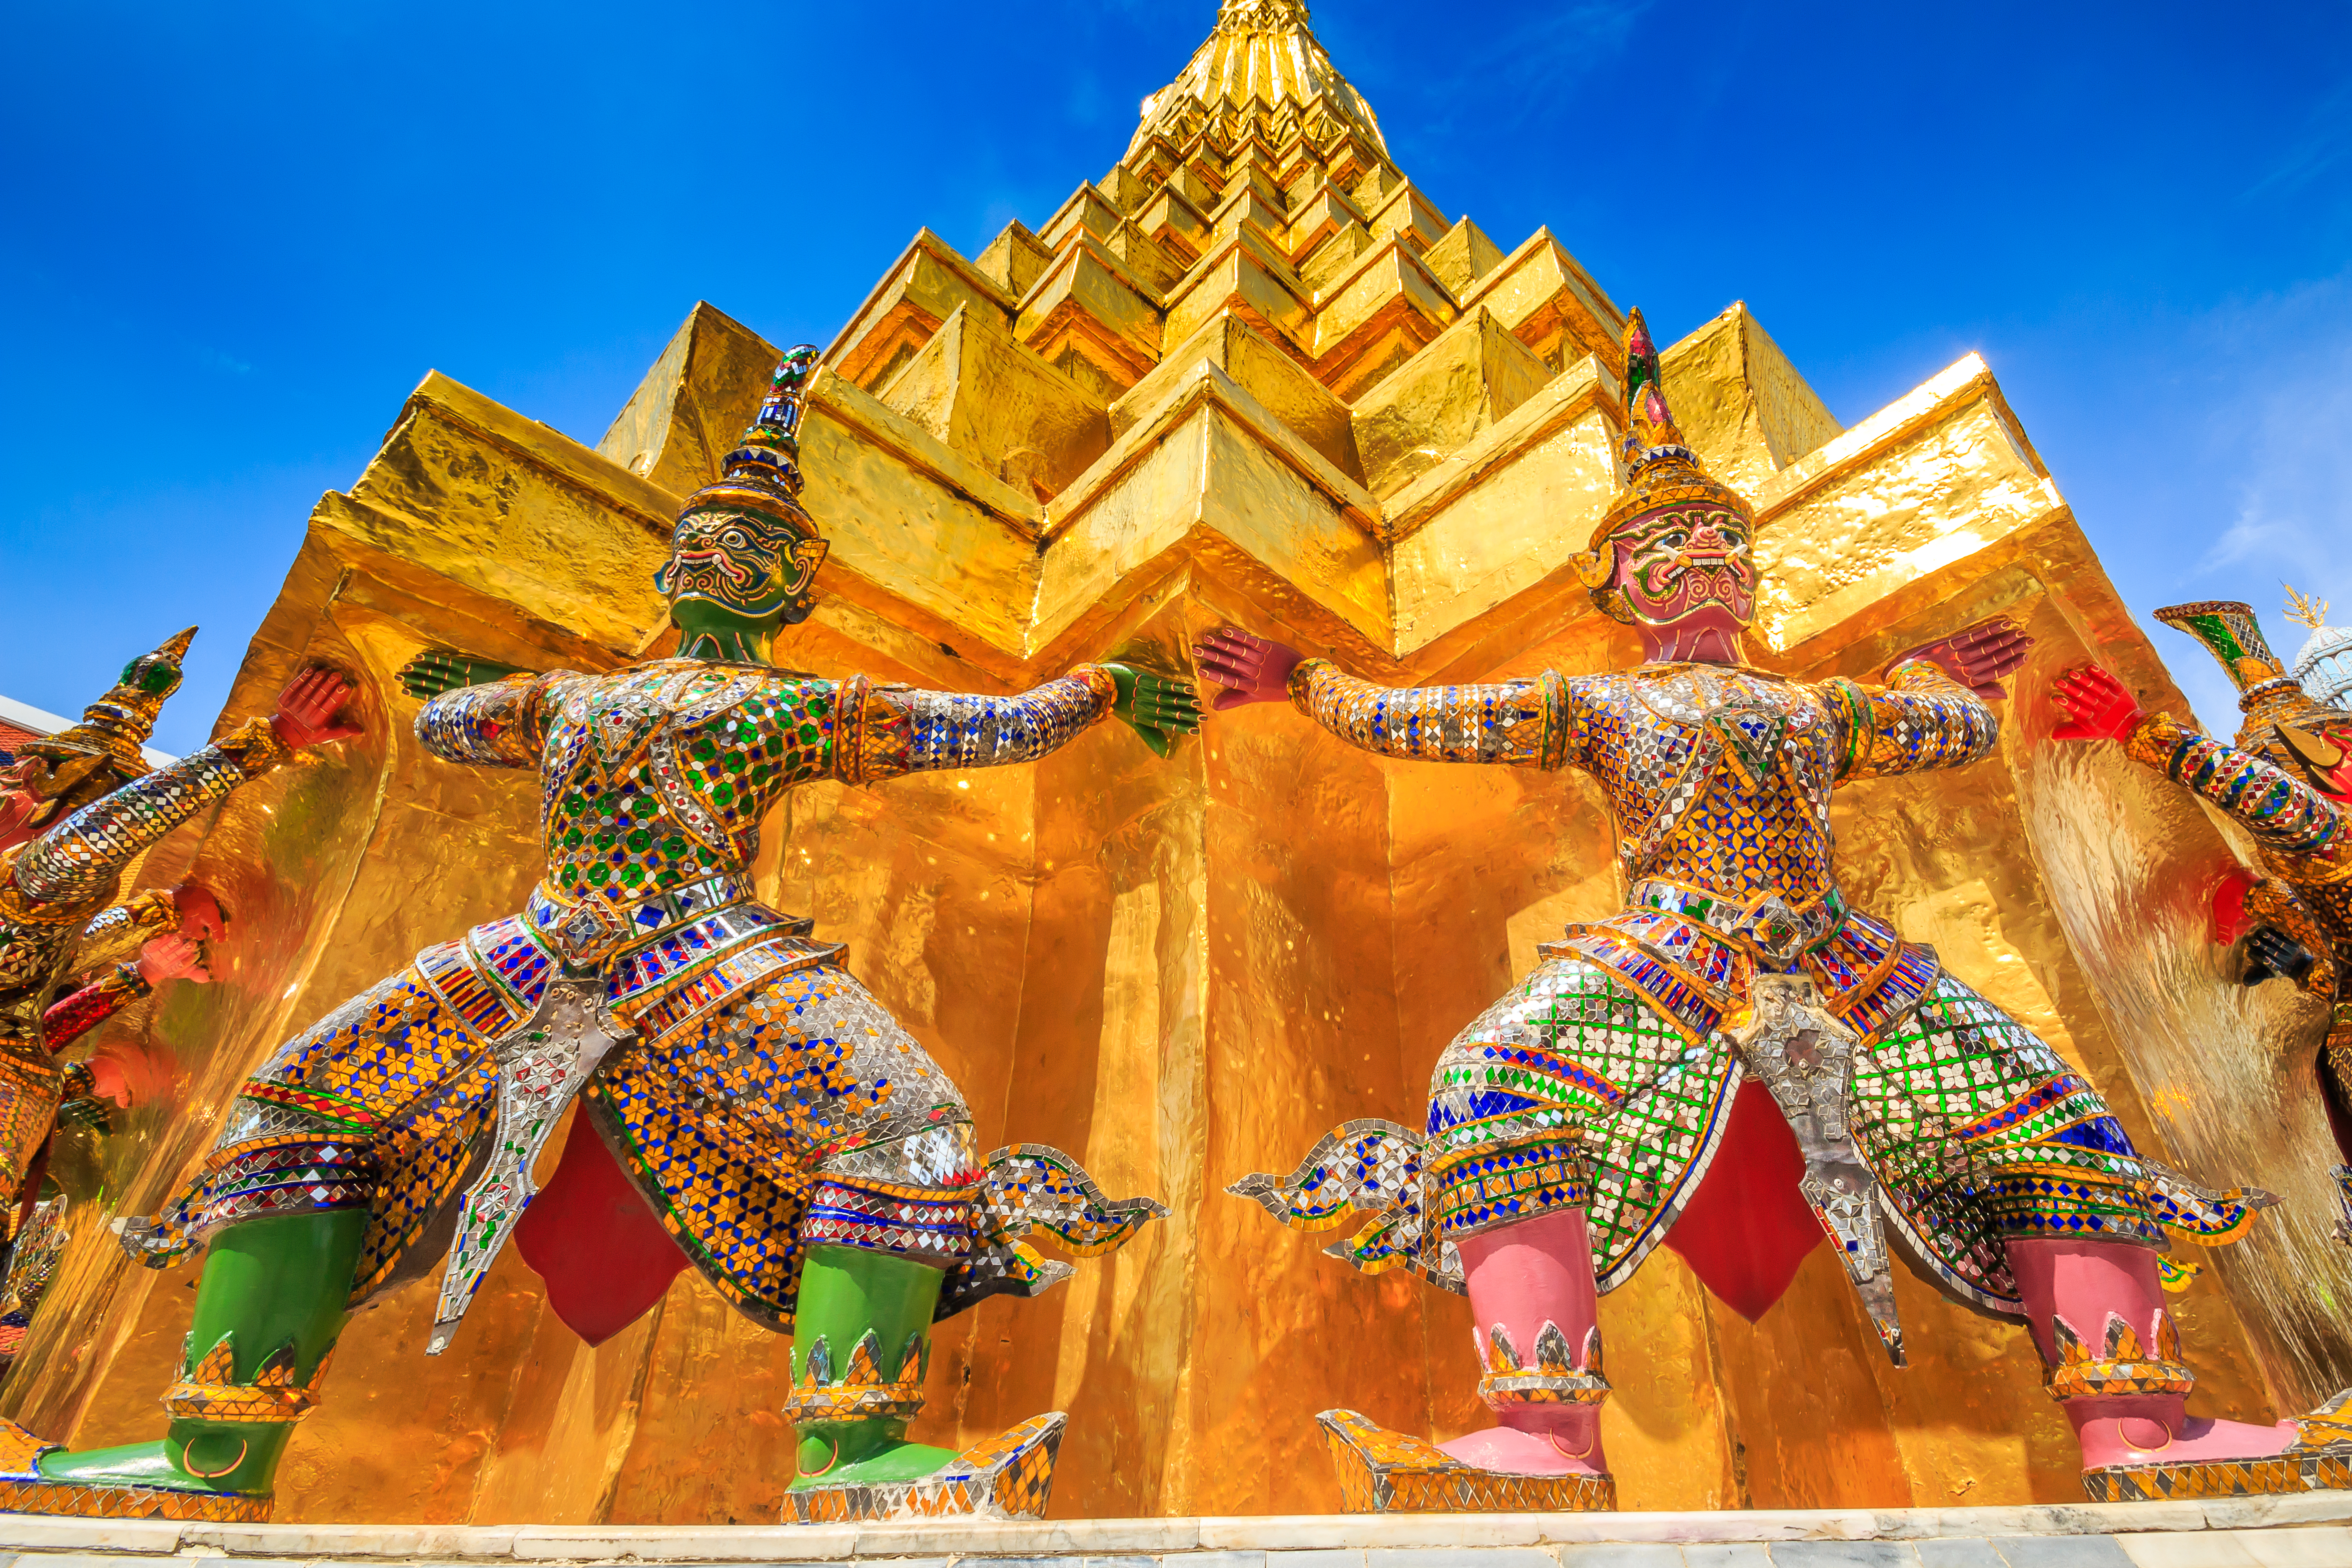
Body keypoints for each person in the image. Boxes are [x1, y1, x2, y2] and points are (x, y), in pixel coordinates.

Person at [0, 348, 1201, 1524]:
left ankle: (217, 1445)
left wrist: (518, 682)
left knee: (301, 1106)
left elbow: (458, 723)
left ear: (679, 577)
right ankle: (851, 1452)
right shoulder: (773, 701)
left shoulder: (577, 698)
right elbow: (991, 730)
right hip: (699, 965)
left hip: (523, 961)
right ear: (787, 594)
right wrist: (1107, 684)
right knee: (912, 1131)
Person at [1203, 309, 2348, 1507]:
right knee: (1491, 1076)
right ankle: (1543, 1440)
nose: (1700, 557)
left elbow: (1946, 732)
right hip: (1671, 955)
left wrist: (1917, 680)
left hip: (1842, 959)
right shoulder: (1598, 703)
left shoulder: (1814, 707)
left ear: (1751, 569)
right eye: (1669, 542)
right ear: (1617, 582)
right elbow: (1430, 721)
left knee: (2055, 1119)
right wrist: (1307, 681)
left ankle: (2137, 1428)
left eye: (1717, 537)